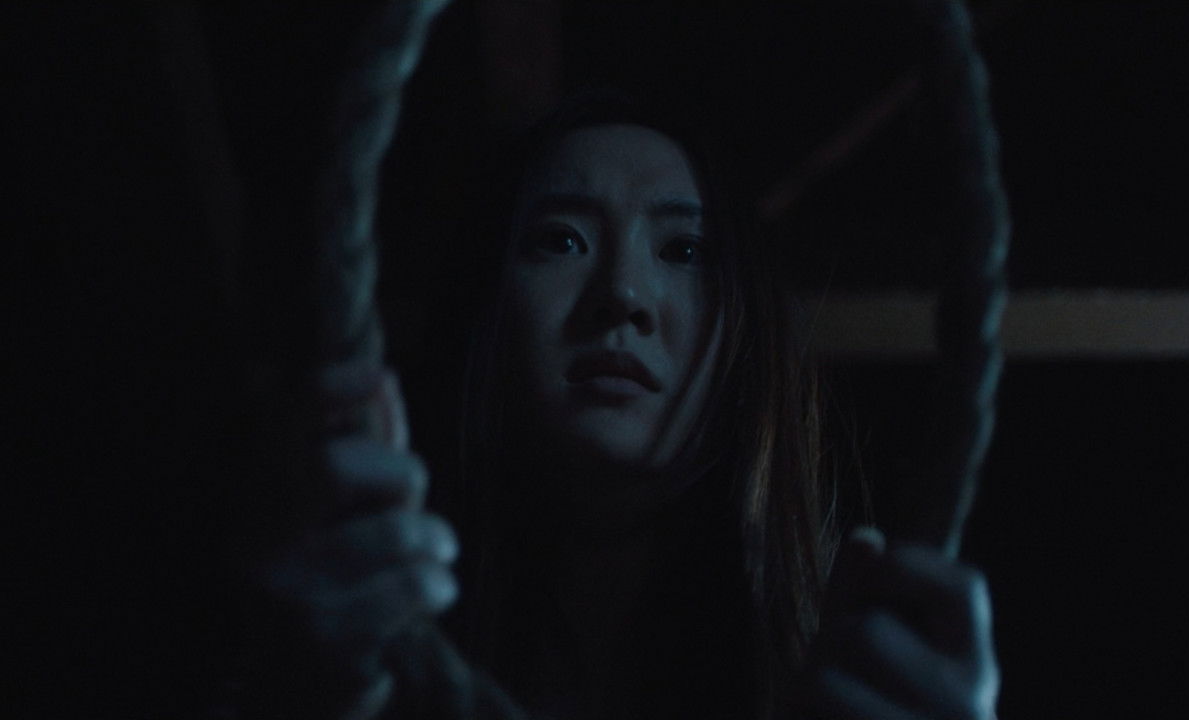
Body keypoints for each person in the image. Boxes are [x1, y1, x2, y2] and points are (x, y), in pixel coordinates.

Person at [261, 95, 999, 720]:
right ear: (485, 310)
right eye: (562, 240)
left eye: (685, 252)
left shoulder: (840, 667)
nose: (622, 294)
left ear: (745, 332)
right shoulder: (352, 657)